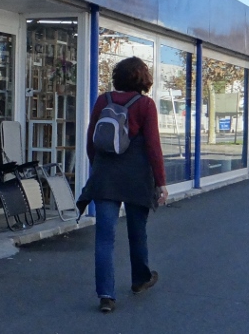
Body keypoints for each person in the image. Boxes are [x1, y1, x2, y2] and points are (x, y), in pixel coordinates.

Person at [82, 56, 168, 313]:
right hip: (136, 179)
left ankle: (106, 295)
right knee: (137, 231)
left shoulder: (103, 100)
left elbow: (91, 140)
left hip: (105, 178)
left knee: (104, 237)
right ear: (143, 78)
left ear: (117, 76)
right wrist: (161, 182)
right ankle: (140, 280)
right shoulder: (145, 105)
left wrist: (97, 168)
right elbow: (153, 146)